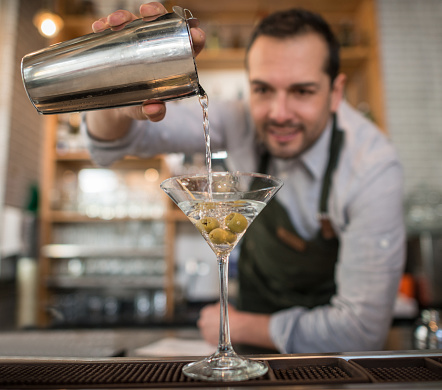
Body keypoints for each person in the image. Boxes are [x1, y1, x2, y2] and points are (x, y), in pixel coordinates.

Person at [84, 2, 406, 353]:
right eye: (263, 89)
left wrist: (241, 326)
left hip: (336, 363)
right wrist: (117, 101)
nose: (279, 113)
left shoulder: (371, 165)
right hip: (247, 359)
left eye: (302, 91)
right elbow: (111, 146)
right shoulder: (239, 119)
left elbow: (362, 332)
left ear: (336, 92)